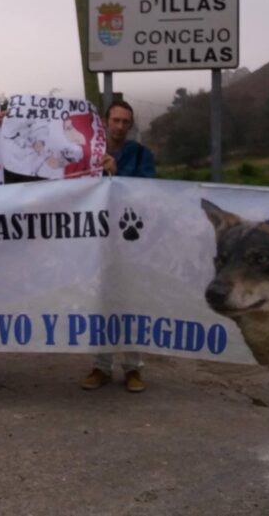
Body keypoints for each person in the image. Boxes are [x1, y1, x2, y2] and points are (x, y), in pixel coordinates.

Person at [80, 100, 156, 393]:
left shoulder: (141, 155)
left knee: (131, 303)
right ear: (105, 121)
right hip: (96, 241)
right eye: (116, 121)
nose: (121, 127)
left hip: (130, 243)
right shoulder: (87, 155)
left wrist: (117, 175)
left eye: (126, 122)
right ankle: (100, 366)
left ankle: (133, 368)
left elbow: (148, 191)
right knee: (100, 303)